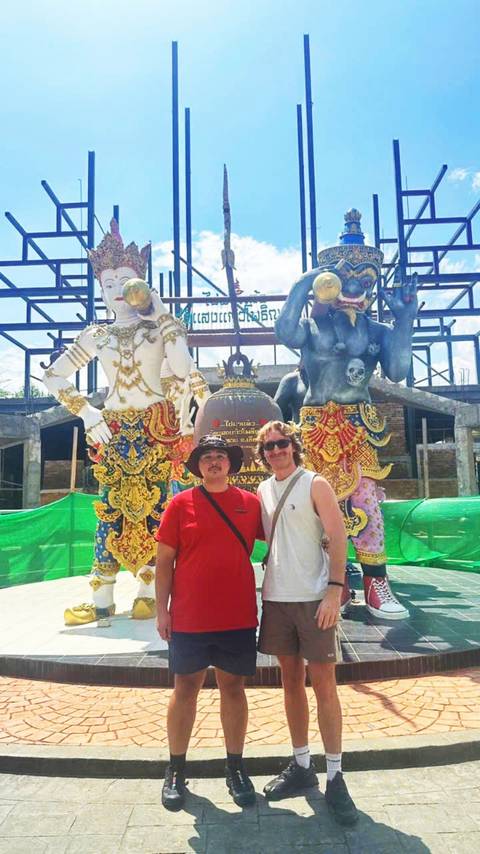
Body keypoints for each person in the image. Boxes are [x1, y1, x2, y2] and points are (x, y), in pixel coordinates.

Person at [42, 219, 209, 626]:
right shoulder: (95, 334)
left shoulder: (160, 330)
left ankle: (148, 592)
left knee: (158, 507)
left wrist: (166, 319)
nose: (116, 288)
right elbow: (52, 375)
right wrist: (86, 410)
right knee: (109, 509)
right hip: (110, 427)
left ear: (143, 285)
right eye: (108, 280)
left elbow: (185, 369)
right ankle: (101, 597)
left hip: (155, 424)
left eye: (126, 279)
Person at [255, 420, 358, 826]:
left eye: (282, 444)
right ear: (262, 454)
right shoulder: (263, 490)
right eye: (269, 447)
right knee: (290, 684)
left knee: (325, 685)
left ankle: (335, 774)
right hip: (278, 598)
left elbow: (338, 535)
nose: (277, 451)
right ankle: (301, 764)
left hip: (315, 598)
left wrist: (335, 589)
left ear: (294, 447)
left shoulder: (315, 483)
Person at [155, 435, 264, 811]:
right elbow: (164, 561)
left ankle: (235, 767)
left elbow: (289, 531)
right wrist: (162, 609)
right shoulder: (179, 505)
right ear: (198, 466)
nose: (214, 462)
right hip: (190, 615)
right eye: (207, 458)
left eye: (220, 456)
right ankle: (175, 769)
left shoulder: (250, 505)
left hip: (236, 615)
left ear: (231, 464)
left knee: (233, 689)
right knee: (185, 688)